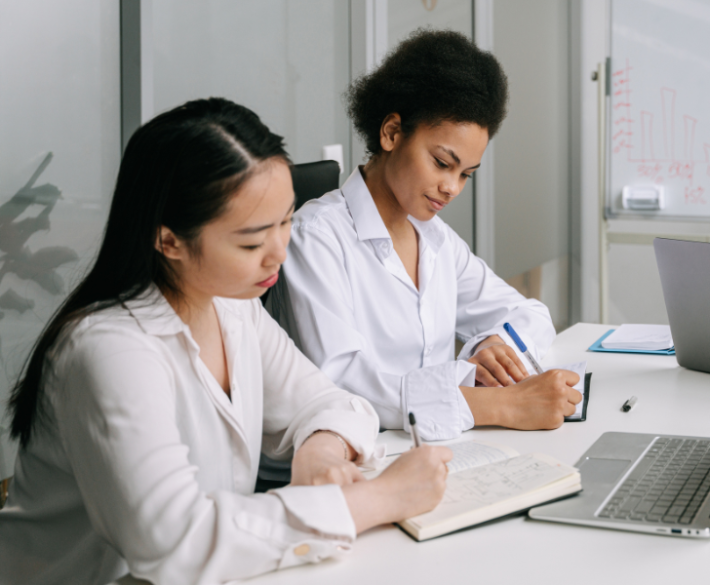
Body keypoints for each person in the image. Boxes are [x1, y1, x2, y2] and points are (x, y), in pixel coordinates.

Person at [0, 98, 452, 585]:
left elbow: (328, 400)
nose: (279, 253)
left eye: (286, 221)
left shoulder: (230, 306)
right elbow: (174, 542)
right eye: (252, 242)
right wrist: (374, 500)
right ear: (168, 240)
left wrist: (321, 452)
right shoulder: (109, 349)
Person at [267, 30, 581, 443]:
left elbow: (531, 316)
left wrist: (489, 348)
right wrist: (497, 403)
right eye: (441, 163)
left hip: (434, 445)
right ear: (392, 133)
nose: (452, 187)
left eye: (465, 174)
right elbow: (342, 382)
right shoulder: (316, 236)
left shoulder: (434, 239)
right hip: (349, 460)